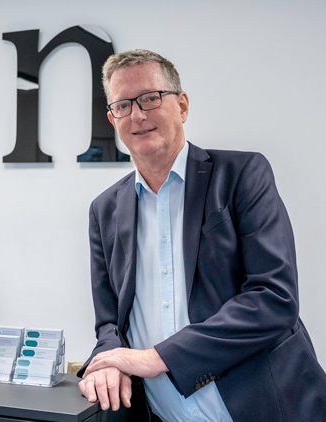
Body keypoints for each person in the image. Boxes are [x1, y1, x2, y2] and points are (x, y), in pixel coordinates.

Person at [77, 50, 326, 421]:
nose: (138, 115)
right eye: (124, 105)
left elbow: (274, 298)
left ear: (182, 105)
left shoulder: (242, 174)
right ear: (113, 120)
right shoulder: (104, 210)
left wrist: (157, 357)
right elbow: (109, 322)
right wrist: (107, 361)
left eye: (150, 98)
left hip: (271, 408)